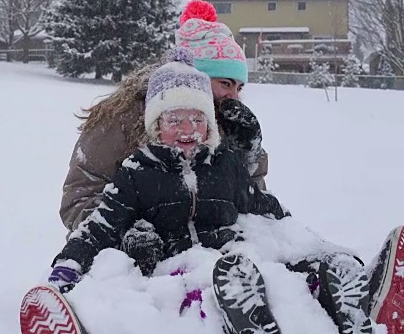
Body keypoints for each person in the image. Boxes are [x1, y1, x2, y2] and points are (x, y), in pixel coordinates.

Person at [48, 46, 288, 321]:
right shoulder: (137, 168)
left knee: (257, 273)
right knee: (157, 302)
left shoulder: (224, 163)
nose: (187, 130)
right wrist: (73, 263)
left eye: (198, 120)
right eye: (174, 120)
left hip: (225, 259)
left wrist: (250, 153)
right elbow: (99, 223)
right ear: (155, 125)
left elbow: (259, 204)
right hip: (168, 269)